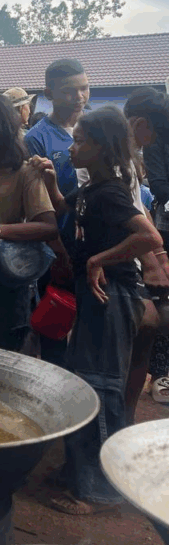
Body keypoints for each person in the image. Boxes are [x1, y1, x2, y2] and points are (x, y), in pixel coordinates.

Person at [39, 107, 163, 515]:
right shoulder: (94, 189)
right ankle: (79, 471)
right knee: (85, 382)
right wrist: (49, 181)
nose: (72, 148)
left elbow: (149, 237)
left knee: (103, 387)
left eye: (80, 141)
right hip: (95, 296)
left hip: (112, 296)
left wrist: (99, 260)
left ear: (101, 147)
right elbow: (64, 210)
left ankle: (101, 490)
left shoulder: (111, 192)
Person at [0, 93, 58, 351]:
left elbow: (48, 226)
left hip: (5, 284)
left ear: (0, 132)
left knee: (1, 355)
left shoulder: (25, 172)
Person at [125, 88, 169, 404]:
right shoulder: (116, 156)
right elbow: (126, 214)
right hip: (128, 257)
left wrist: (159, 254)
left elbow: (138, 207)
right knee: (151, 317)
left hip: (145, 246)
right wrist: (154, 260)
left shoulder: (131, 157)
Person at [25, 59, 90, 208]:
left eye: (84, 88)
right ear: (48, 94)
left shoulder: (99, 127)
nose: (79, 96)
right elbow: (38, 198)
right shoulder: (36, 138)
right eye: (68, 91)